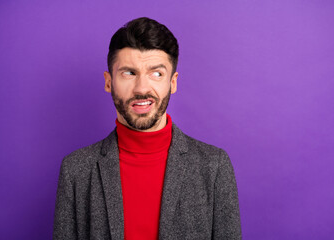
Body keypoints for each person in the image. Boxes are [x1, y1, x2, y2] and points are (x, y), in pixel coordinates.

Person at [53, 17, 242, 240]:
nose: (142, 88)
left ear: (172, 82)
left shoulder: (214, 166)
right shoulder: (76, 170)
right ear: (108, 82)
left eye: (156, 73)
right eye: (129, 73)